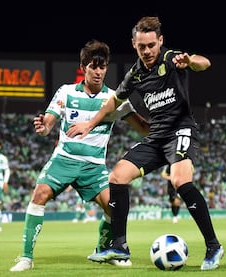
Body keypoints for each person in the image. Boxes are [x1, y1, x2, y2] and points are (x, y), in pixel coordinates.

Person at [67, 16, 224, 270]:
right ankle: (119, 247)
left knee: (179, 180)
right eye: (142, 46)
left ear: (160, 41)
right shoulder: (135, 74)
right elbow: (112, 103)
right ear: (134, 44)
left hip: (180, 131)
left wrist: (190, 61)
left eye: (151, 45)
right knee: (117, 176)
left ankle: (214, 247)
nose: (147, 51)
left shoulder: (172, 58)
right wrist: (89, 124)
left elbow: (203, 63)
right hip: (156, 137)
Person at [9, 39, 149, 272]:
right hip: (64, 159)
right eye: (93, 66)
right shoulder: (65, 92)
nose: (98, 71)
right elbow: (48, 123)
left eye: (102, 66)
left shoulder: (115, 99)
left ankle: (103, 250)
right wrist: (44, 127)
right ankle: (26, 257)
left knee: (114, 209)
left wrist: (167, 121)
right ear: (83, 67)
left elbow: (143, 128)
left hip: (93, 167)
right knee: (39, 194)